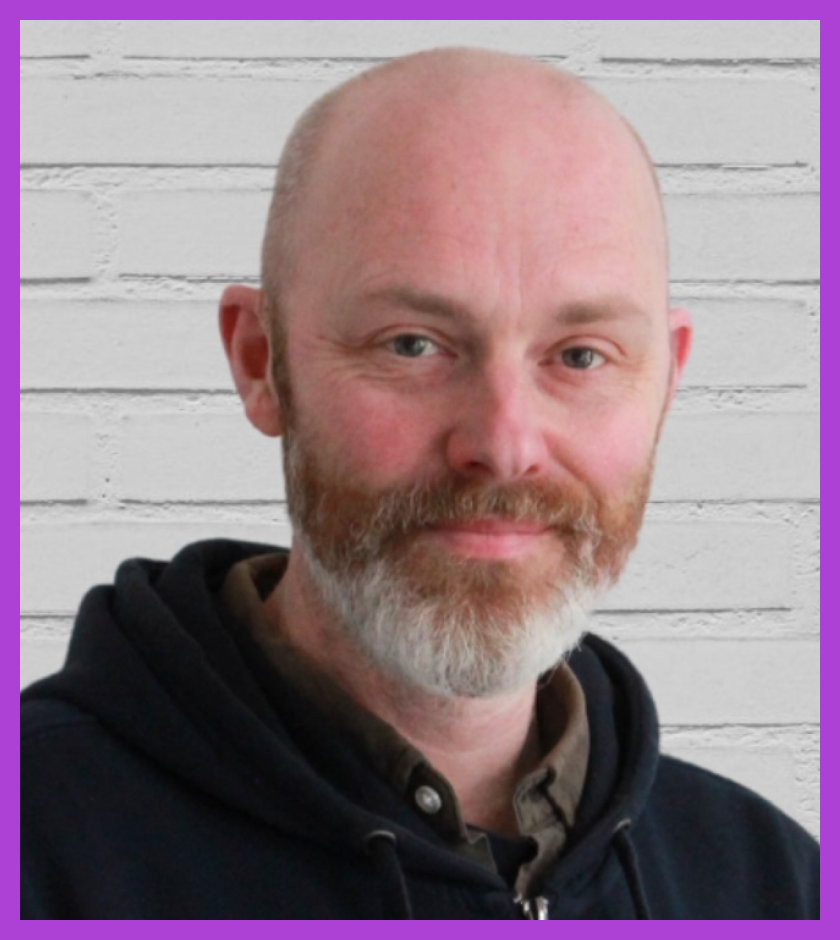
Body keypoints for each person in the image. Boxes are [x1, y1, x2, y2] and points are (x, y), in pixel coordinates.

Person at [21, 48, 818, 920]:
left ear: (666, 382)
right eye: (412, 344)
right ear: (261, 361)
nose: (504, 445)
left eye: (581, 356)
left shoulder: (776, 885)